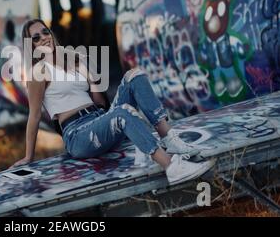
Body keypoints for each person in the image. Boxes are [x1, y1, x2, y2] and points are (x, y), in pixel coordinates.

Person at [11, 18, 214, 185]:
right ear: (32, 46)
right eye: (36, 38)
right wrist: (29, 156)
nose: (44, 38)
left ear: (51, 33)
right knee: (123, 113)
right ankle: (172, 168)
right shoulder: (38, 73)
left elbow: (99, 101)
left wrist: (89, 74)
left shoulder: (72, 58)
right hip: (78, 134)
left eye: (45, 32)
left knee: (134, 75)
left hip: (98, 118)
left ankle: (169, 139)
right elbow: (34, 115)